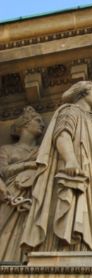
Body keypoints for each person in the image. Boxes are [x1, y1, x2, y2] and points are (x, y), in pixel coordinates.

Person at [21, 81, 92, 253]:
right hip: (75, 169)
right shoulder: (70, 111)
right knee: (71, 206)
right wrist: (70, 160)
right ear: (83, 93)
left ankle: (85, 247)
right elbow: (62, 135)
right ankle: (65, 248)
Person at [0, 107, 45, 261]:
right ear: (25, 124)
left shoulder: (42, 151)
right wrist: (27, 165)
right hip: (11, 194)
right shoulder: (6, 149)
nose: (42, 125)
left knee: (27, 227)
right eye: (38, 120)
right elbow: (3, 171)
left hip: (34, 194)